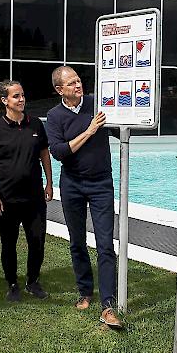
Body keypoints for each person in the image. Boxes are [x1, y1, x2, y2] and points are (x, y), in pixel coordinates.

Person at [45, 66, 122, 329]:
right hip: (73, 185)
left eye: (78, 80)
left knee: (105, 245)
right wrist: (89, 131)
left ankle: (108, 304)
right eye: (72, 83)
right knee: (77, 241)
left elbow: (121, 124)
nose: (78, 85)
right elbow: (59, 152)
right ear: (59, 90)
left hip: (101, 183)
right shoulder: (55, 116)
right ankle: (85, 291)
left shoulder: (96, 104)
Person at [0, 80, 53, 302]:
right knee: (9, 243)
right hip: (7, 198)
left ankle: (33, 281)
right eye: (16, 96)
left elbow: (44, 155)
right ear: (5, 100)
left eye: (22, 95)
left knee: (37, 240)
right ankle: (12, 283)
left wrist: (49, 183)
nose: (21, 99)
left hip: (34, 197)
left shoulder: (36, 125)